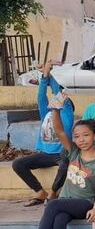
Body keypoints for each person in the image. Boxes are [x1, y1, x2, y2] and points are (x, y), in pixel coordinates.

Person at [13, 60, 73, 206]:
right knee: (18, 164)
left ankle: (53, 193)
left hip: (61, 154)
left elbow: (58, 93)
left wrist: (47, 74)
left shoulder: (67, 113)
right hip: (44, 154)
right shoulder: (45, 113)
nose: (56, 101)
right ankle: (40, 192)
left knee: (65, 164)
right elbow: (41, 96)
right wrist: (44, 75)